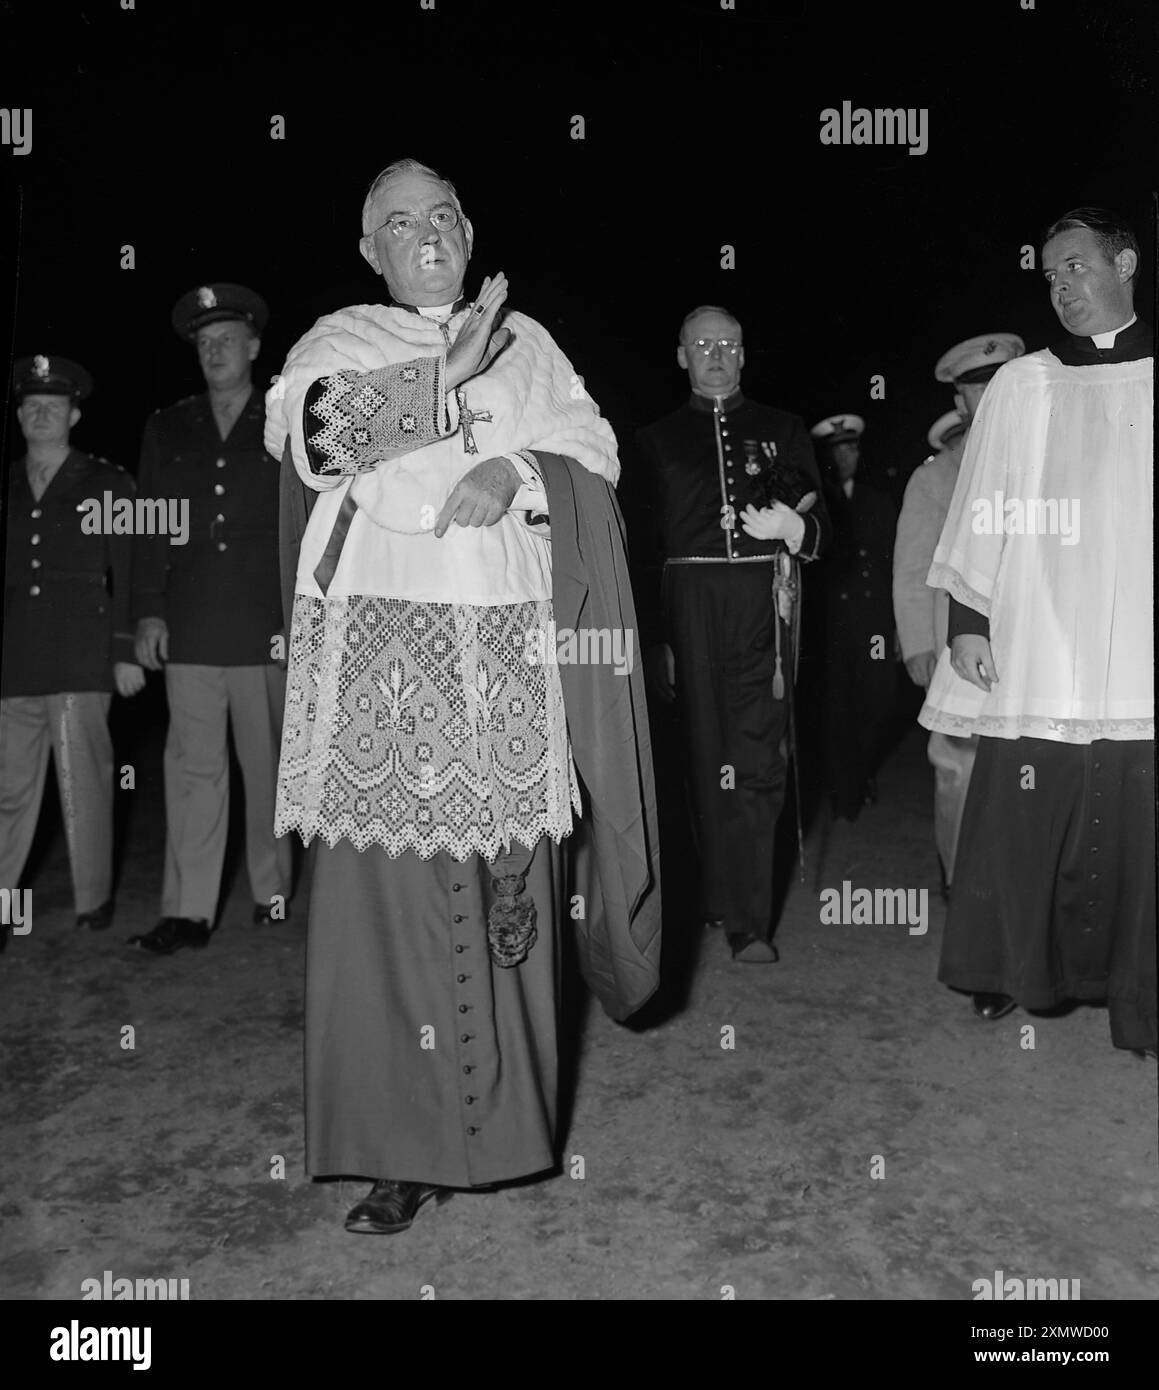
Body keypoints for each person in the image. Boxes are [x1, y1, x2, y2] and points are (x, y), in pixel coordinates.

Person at [267, 157, 661, 1234]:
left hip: (510, 656)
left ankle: (501, 1131)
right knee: (388, 914)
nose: (426, 233)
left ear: (471, 228)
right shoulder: (337, 339)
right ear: (369, 250)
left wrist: (524, 474)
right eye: (399, 222)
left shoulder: (533, 345)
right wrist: (445, 375)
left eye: (442, 214)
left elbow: (595, 448)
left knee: (510, 898)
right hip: (384, 669)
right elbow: (310, 438)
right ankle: (401, 1149)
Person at [920, 208, 1154, 1051]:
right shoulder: (1025, 384)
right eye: (1049, 275)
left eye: (1076, 266)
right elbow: (983, 502)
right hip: (1045, 640)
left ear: (1123, 263)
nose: (1061, 287)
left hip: (1140, 650)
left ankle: (1140, 1001)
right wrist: (968, 621)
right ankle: (1017, 973)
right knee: (1027, 812)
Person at [634, 307, 829, 963]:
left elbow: (825, 526)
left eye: (727, 344)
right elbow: (643, 550)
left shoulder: (782, 429)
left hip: (758, 605)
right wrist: (655, 636)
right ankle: (709, 896)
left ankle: (748, 921)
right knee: (696, 761)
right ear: (681, 356)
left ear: (743, 355)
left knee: (757, 762)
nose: (715, 354)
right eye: (701, 345)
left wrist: (796, 531)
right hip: (685, 608)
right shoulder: (654, 441)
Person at [128, 284, 292, 955]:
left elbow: (303, 527)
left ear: (254, 347)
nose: (215, 351)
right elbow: (146, 529)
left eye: (227, 339)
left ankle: (272, 889)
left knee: (268, 767)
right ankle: (188, 911)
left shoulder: (283, 421)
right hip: (191, 624)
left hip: (265, 624)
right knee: (194, 771)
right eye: (204, 343)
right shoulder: (169, 426)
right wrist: (145, 613)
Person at [0, 356, 143, 941]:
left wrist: (126, 649)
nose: (40, 415)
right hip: (17, 661)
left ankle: (92, 901)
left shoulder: (107, 483)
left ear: (74, 415)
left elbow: (129, 571)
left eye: (52, 408)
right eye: (30, 406)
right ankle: (5, 908)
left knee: (82, 785)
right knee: (8, 791)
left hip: (82, 657)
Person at [893, 334, 1024, 900]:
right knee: (958, 768)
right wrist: (919, 642)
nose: (992, 395)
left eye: (1002, 382)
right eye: (978, 388)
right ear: (962, 401)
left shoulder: (1050, 456)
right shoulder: (937, 476)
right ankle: (959, 880)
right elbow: (912, 565)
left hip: (1032, 644)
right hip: (960, 645)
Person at [811, 414, 896, 820]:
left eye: (852, 447)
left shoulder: (878, 501)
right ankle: (845, 791)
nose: (846, 456)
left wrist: (899, 628)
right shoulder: (814, 504)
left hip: (873, 623)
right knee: (835, 709)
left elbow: (895, 565)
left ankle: (860, 773)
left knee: (878, 703)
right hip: (830, 625)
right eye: (837, 449)